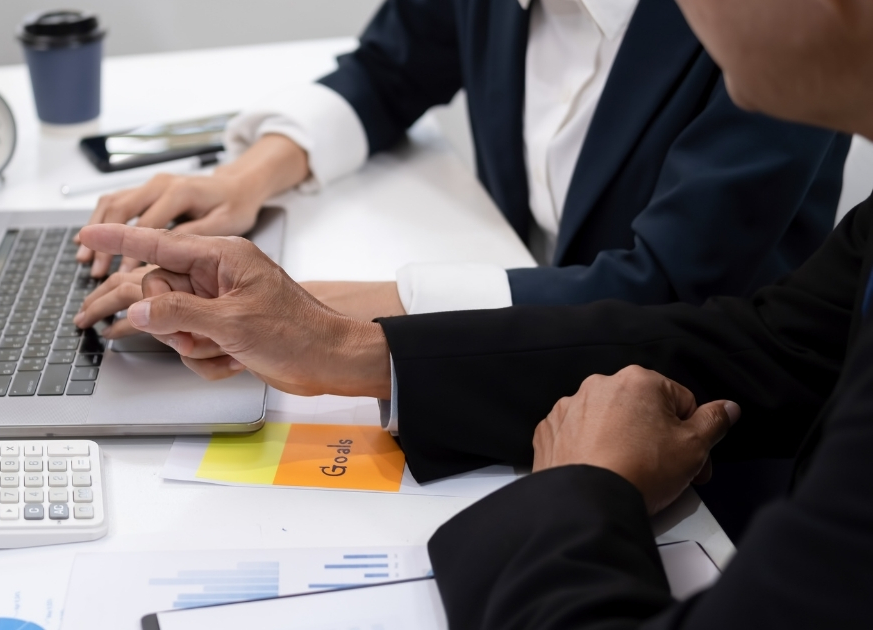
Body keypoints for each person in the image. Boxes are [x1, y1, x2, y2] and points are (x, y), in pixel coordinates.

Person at [73, 0, 873, 620]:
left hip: (721, 469)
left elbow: (679, 290)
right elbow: (779, 340)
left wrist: (581, 489)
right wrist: (349, 341)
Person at [72, 0, 850, 332]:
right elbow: (390, 68)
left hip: (709, 414)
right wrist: (243, 181)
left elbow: (664, 289)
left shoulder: (761, 31)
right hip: (534, 321)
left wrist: (304, 308)